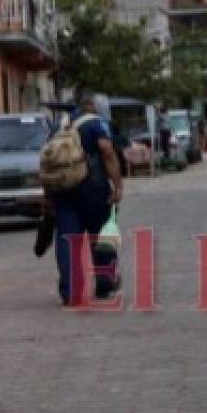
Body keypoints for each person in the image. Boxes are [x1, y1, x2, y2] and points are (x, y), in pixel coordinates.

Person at [51, 93, 124, 306]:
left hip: (63, 190)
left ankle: (71, 291)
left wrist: (48, 196)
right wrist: (117, 184)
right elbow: (107, 151)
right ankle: (104, 282)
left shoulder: (60, 125)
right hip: (93, 189)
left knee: (67, 240)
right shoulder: (96, 124)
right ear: (95, 108)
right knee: (101, 236)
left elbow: (48, 160)